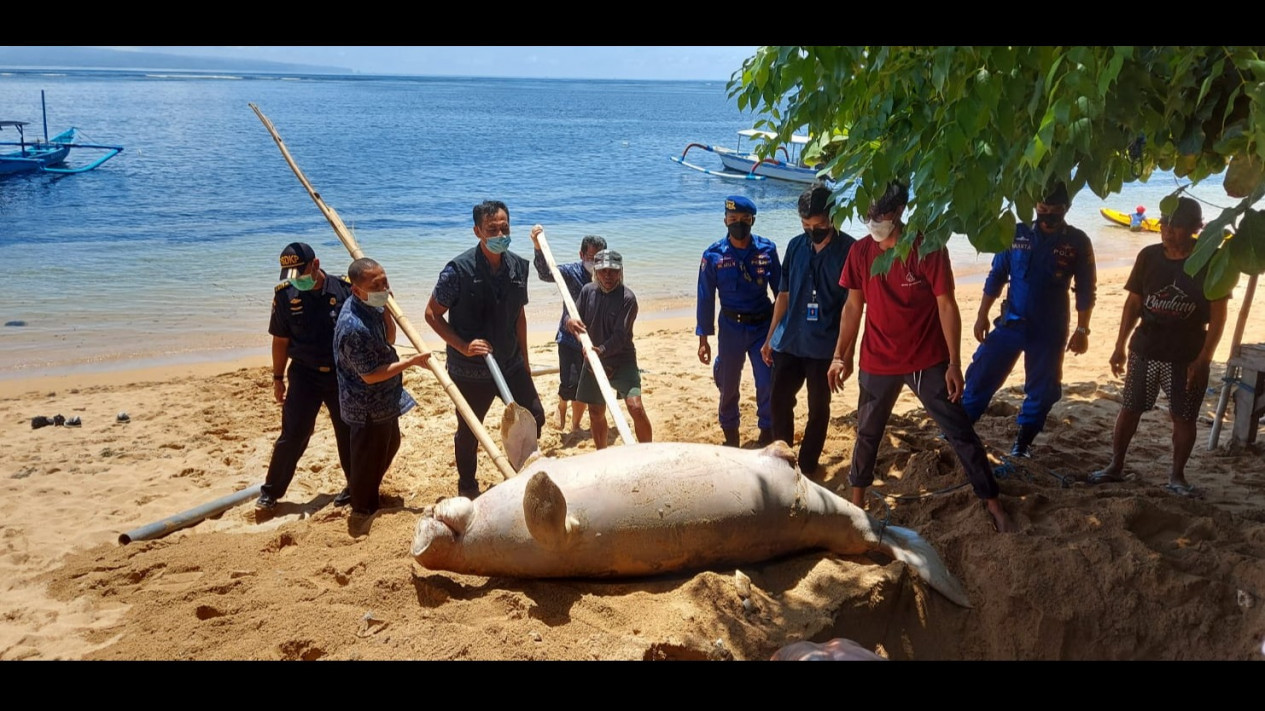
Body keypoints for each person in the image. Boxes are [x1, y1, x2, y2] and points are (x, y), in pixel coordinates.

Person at [827, 181, 1014, 533]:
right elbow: (853, 307)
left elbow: (947, 304)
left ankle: (993, 502)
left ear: (899, 213)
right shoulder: (861, 253)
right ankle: (856, 506)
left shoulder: (926, 247)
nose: (872, 222)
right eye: (868, 215)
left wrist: (955, 364)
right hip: (877, 359)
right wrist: (840, 355)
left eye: (879, 215)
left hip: (927, 360)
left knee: (959, 431)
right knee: (867, 433)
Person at [1088, 197, 1228, 494]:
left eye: (1176, 225)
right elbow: (1134, 303)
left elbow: (1218, 315)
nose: (1168, 230)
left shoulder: (1211, 260)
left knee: (1183, 415)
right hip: (1146, 347)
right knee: (1130, 408)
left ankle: (1177, 476)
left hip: (1187, 352)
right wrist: (1119, 345)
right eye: (1165, 223)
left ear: (1196, 228)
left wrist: (1204, 358)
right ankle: (1115, 466)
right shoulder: (1148, 256)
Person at [961, 182, 1097, 458]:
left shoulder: (1078, 241)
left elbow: (1086, 289)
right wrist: (982, 315)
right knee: (980, 375)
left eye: (1054, 211)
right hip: (1011, 323)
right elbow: (997, 274)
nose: (1047, 215)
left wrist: (1083, 328)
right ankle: (960, 430)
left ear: (1066, 209)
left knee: (1043, 390)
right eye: (1042, 209)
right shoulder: (1016, 233)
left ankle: (1022, 443)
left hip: (1050, 328)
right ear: (1035, 206)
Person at [424, 200, 546, 498]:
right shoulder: (457, 271)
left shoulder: (518, 266)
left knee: (535, 415)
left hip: (510, 360)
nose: (501, 233)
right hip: (471, 368)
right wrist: (463, 346)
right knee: (470, 431)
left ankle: (526, 471)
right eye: (493, 229)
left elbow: (519, 315)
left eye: (505, 227)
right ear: (478, 231)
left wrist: (526, 361)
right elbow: (431, 314)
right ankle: (468, 487)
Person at [760, 184, 856, 474]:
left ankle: (809, 465)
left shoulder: (849, 251)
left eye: (819, 225)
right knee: (779, 400)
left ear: (833, 217)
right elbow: (783, 295)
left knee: (818, 407)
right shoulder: (795, 246)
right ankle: (782, 461)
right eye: (806, 225)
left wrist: (846, 354)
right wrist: (769, 338)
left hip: (824, 346)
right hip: (788, 340)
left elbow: (853, 308)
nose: (812, 231)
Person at [333, 258, 430, 534]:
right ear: (356, 291)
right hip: (365, 404)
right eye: (377, 286)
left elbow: (388, 337)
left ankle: (364, 491)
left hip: (384, 398)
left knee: (391, 444)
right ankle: (363, 509)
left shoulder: (372, 305)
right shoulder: (352, 326)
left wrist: (386, 305)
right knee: (368, 459)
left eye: (385, 281)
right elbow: (370, 374)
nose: (384, 288)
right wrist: (411, 362)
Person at [257, 242, 355, 513]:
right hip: (304, 375)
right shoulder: (285, 296)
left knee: (348, 432)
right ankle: (271, 491)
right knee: (293, 434)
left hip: (341, 375)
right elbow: (280, 340)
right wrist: (277, 377)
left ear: (316, 264)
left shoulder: (345, 290)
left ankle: (355, 486)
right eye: (291, 276)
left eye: (300, 274)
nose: (296, 281)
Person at [697, 195, 781, 447]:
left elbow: (781, 293)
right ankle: (730, 431)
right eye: (733, 220)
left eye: (745, 220)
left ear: (753, 220)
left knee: (766, 381)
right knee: (729, 382)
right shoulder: (713, 255)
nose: (739, 224)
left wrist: (778, 333)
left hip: (762, 326)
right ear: (725, 220)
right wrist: (703, 340)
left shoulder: (767, 250)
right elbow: (705, 298)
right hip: (731, 327)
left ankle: (767, 429)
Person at [564, 249, 653, 449]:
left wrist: (601, 350)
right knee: (596, 412)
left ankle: (649, 450)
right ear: (595, 271)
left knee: (635, 407)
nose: (607, 276)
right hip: (594, 362)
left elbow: (620, 337)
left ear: (620, 272)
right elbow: (573, 319)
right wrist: (570, 323)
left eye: (613, 271)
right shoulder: (588, 291)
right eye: (603, 271)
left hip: (622, 360)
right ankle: (602, 454)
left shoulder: (628, 298)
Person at [530, 227, 606, 431]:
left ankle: (576, 426)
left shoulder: (606, 277)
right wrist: (538, 247)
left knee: (584, 389)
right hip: (569, 339)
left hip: (594, 341)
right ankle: (561, 405)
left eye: (599, 258)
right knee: (569, 386)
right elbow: (546, 273)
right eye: (591, 257)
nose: (595, 262)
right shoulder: (571, 272)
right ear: (581, 255)